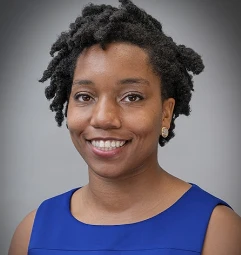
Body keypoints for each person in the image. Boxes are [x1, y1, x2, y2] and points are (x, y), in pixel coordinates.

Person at [8, 0, 241, 254]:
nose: (103, 118)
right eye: (85, 96)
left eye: (131, 97)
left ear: (166, 113)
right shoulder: (31, 233)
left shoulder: (217, 230)